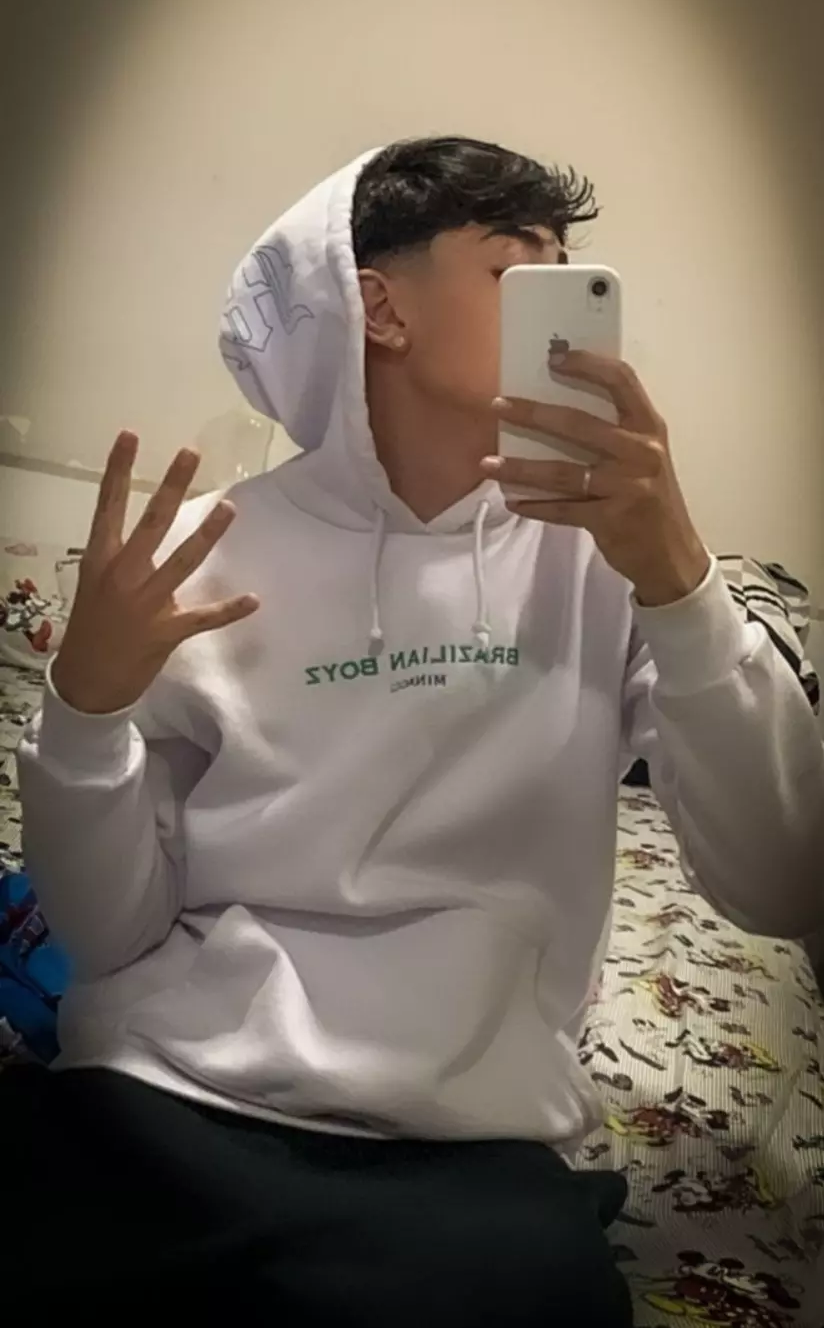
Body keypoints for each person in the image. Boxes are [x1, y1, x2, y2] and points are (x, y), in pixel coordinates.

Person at [10, 137, 824, 1321]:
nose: (562, 302)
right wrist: (84, 710)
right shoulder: (197, 550)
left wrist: (683, 587)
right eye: (515, 267)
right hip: (162, 1093)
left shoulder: (611, 555)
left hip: (462, 1147)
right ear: (378, 306)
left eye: (569, 269)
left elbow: (782, 880)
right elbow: (106, 933)